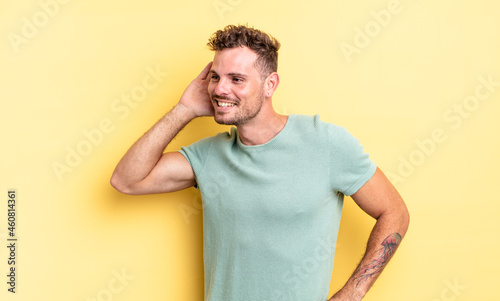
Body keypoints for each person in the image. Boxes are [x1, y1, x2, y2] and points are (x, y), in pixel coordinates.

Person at [110, 24, 409, 301]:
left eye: (236, 79)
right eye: (215, 77)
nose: (219, 89)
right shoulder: (209, 155)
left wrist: (351, 294)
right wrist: (184, 109)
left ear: (270, 85)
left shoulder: (325, 143)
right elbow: (127, 181)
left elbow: (394, 211)